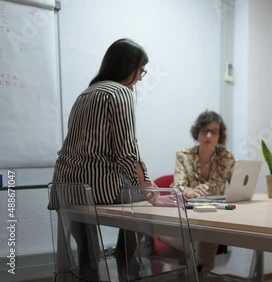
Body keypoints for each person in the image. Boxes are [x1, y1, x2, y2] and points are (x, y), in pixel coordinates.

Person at [48, 38, 176, 277]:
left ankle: (99, 269)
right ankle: (128, 264)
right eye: (141, 70)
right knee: (147, 205)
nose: (140, 78)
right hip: (98, 189)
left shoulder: (85, 93)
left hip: (66, 187)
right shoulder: (121, 92)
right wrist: (150, 191)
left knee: (87, 252)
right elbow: (127, 153)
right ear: (128, 67)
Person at [171, 110, 236, 272]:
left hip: (215, 217)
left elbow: (237, 188)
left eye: (213, 132)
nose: (208, 136)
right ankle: (201, 271)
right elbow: (176, 186)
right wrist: (189, 192)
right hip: (187, 217)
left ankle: (200, 271)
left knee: (208, 230)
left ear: (219, 136)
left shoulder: (226, 157)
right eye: (204, 131)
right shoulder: (184, 155)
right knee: (204, 234)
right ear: (197, 133)